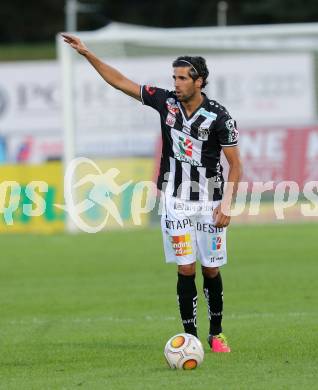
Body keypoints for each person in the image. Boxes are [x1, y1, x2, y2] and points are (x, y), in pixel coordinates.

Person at [62, 33, 242, 353]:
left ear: (199, 82)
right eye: (174, 76)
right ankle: (191, 338)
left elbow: (236, 165)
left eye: (182, 78)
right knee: (185, 267)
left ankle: (217, 333)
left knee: (211, 268)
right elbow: (120, 82)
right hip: (174, 199)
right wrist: (87, 54)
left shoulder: (220, 117)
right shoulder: (165, 101)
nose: (176, 83)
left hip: (209, 201)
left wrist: (227, 204)